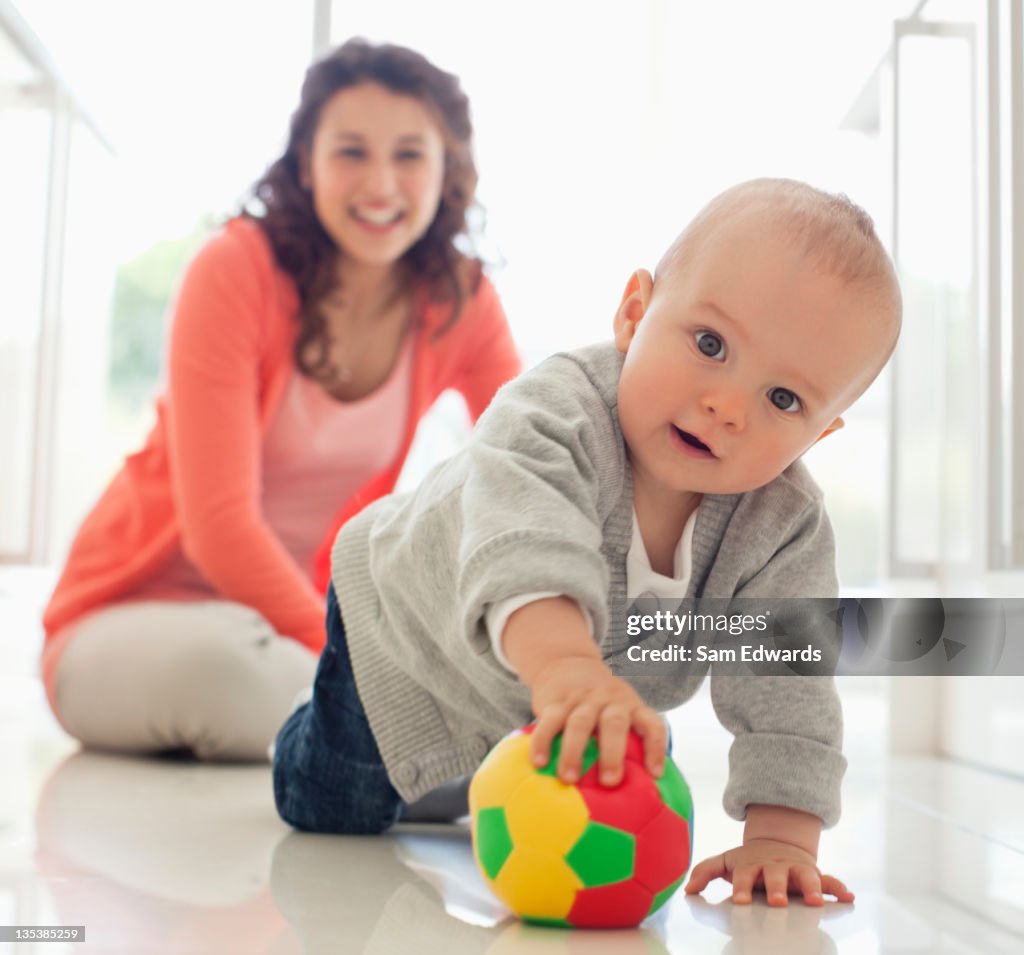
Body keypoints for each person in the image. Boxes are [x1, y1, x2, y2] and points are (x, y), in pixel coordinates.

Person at [272, 178, 902, 906]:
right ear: (635, 314)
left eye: (783, 399)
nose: (726, 406)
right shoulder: (552, 414)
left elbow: (785, 681)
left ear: (817, 434)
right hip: (404, 632)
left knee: (532, 765)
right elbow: (522, 545)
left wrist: (783, 836)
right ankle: (301, 720)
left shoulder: (782, 523)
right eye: (709, 344)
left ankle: (464, 763)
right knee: (334, 808)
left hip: (551, 687)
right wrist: (568, 667)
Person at [40, 39, 521, 762]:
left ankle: (433, 754)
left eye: (411, 155)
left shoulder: (460, 300)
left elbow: (528, 465)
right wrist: (366, 662)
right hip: (125, 621)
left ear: (448, 168)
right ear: (307, 163)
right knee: (229, 662)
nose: (381, 182)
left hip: (285, 628)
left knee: (433, 668)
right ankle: (434, 760)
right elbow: (219, 526)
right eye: (351, 151)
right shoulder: (234, 269)